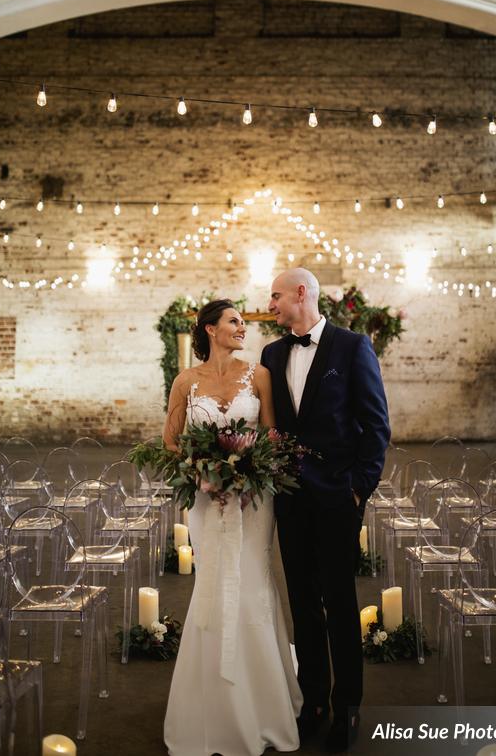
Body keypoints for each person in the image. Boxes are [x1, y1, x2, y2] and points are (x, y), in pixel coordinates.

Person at [163, 299, 302, 756]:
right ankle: (212, 706)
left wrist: (249, 472)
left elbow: (272, 435)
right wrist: (199, 470)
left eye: (243, 321)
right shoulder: (186, 381)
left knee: (250, 585)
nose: (243, 327)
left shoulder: (258, 374)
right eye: (234, 321)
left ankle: (262, 703)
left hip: (253, 501)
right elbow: (170, 438)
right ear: (210, 328)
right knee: (213, 584)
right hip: (205, 501)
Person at [261, 269, 390, 753]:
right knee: (302, 602)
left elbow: (377, 425)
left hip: (338, 498)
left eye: (275, 295)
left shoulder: (352, 347)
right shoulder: (272, 354)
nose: (269, 304)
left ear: (301, 294)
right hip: (290, 499)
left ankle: (347, 709)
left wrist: (359, 488)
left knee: (339, 603)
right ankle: (312, 702)